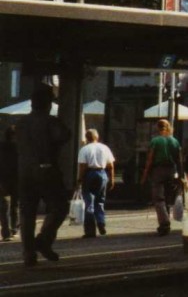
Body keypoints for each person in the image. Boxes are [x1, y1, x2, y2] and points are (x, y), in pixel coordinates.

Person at [15, 83, 70, 267]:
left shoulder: (21, 123)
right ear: (48, 102)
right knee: (60, 206)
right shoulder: (50, 121)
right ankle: (43, 240)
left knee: (27, 212)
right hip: (46, 170)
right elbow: (64, 136)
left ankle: (28, 253)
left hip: (24, 171)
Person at [140, 119, 182, 236]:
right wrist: (181, 174)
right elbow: (179, 159)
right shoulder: (175, 141)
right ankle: (166, 222)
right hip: (172, 170)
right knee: (168, 198)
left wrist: (145, 174)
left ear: (158, 128)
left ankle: (164, 223)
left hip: (158, 170)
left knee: (158, 198)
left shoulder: (155, 141)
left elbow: (150, 159)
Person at [76, 128, 116, 238]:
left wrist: (79, 179)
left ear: (87, 138)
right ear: (97, 137)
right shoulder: (105, 148)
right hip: (102, 174)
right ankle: (101, 222)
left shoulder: (84, 149)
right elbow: (111, 166)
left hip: (89, 174)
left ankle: (90, 231)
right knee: (100, 200)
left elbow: (83, 166)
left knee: (89, 201)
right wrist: (111, 179)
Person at [0, 125, 18, 242]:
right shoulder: (20, 148)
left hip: (2, 181)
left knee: (4, 206)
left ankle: (6, 232)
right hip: (17, 180)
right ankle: (13, 229)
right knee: (15, 206)